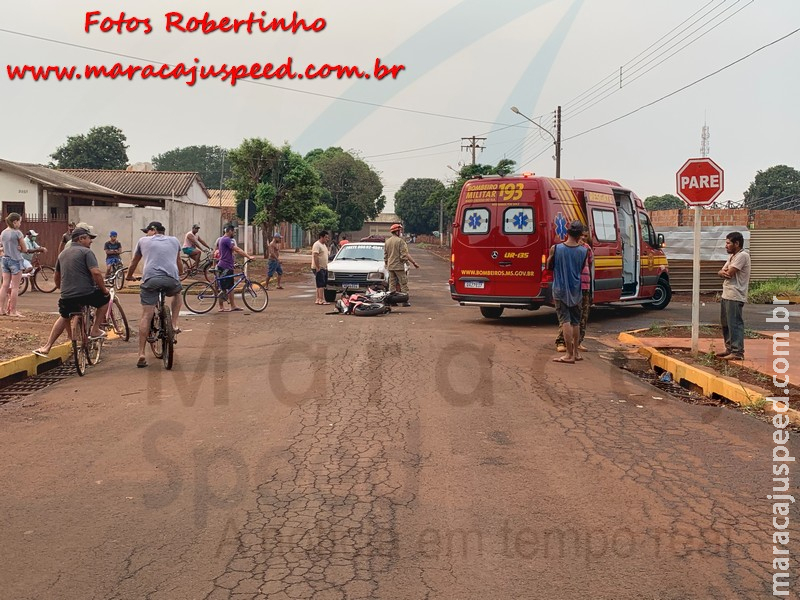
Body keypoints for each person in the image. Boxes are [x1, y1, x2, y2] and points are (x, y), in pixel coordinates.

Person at [32, 227, 109, 356]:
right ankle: (95, 330)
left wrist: (62, 289)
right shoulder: (86, 252)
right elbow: (96, 273)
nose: (91, 241)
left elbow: (56, 276)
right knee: (105, 300)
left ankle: (47, 346)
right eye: (89, 238)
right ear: (81, 239)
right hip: (86, 294)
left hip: (67, 296)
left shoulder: (62, 254)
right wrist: (104, 289)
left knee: (64, 316)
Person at [126, 221, 184, 368]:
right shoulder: (174, 240)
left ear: (153, 230)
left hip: (150, 280)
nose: (146, 234)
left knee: (146, 314)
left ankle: (141, 354)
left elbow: (134, 262)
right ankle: (174, 323)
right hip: (171, 279)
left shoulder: (143, 241)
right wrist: (180, 274)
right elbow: (179, 262)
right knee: (177, 293)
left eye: (148, 231)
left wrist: (129, 276)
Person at [548, 220, 589, 364]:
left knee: (565, 320)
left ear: (567, 232)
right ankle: (576, 353)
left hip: (560, 289)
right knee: (576, 321)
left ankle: (568, 354)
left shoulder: (556, 248)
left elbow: (549, 265)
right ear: (580, 235)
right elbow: (581, 268)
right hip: (576, 289)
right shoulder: (584, 251)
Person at [556, 226, 592, 352]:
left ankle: (577, 342)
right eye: (582, 236)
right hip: (572, 286)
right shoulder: (565, 248)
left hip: (585, 285)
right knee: (566, 317)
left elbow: (590, 264)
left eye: (586, 237)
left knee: (582, 316)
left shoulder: (586, 249)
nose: (583, 238)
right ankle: (562, 342)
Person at [716, 231, 751, 361]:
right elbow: (721, 272)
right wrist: (721, 272)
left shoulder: (742, 256)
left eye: (728, 243)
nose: (726, 246)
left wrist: (723, 272)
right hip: (727, 294)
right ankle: (729, 348)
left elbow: (729, 273)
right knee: (726, 324)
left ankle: (737, 352)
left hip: (735, 295)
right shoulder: (732, 256)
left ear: (737, 243)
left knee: (734, 324)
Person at [215, 224, 254, 312]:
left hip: (227, 265)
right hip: (225, 267)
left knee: (230, 287)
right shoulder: (226, 240)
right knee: (224, 288)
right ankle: (221, 307)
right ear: (229, 231)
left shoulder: (222, 239)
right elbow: (237, 250)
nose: (234, 233)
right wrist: (248, 256)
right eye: (233, 231)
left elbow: (228, 253)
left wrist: (234, 263)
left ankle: (233, 306)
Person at [384, 223, 419, 307]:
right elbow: (404, 254)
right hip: (399, 266)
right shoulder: (400, 241)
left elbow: (385, 255)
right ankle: (404, 301)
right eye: (400, 231)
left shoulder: (387, 241)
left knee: (392, 285)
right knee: (403, 283)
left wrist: (387, 264)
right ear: (396, 231)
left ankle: (392, 302)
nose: (400, 232)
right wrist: (408, 262)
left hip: (390, 266)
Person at [0, 213, 28, 317]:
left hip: (5, 259)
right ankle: (12, 310)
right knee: (15, 287)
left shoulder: (3, 233)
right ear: (15, 222)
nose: (20, 224)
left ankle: (1, 309)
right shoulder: (17, 233)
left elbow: (2, 246)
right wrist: (20, 248)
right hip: (15, 260)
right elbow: (24, 249)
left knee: (4, 285)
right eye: (19, 221)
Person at [312, 230, 331, 305]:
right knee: (321, 284)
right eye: (326, 237)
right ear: (321, 237)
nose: (327, 239)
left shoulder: (324, 245)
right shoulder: (317, 245)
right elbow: (315, 256)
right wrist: (317, 267)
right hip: (319, 267)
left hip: (324, 267)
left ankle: (318, 299)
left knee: (320, 284)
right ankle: (321, 299)